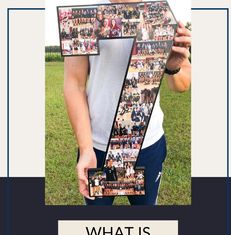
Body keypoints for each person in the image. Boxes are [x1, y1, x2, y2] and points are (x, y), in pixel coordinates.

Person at [64, 0, 191, 206]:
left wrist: (173, 67)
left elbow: (181, 84)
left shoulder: (159, 15)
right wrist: (86, 149)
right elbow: (74, 84)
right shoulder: (87, 15)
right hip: (98, 149)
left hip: (148, 146)